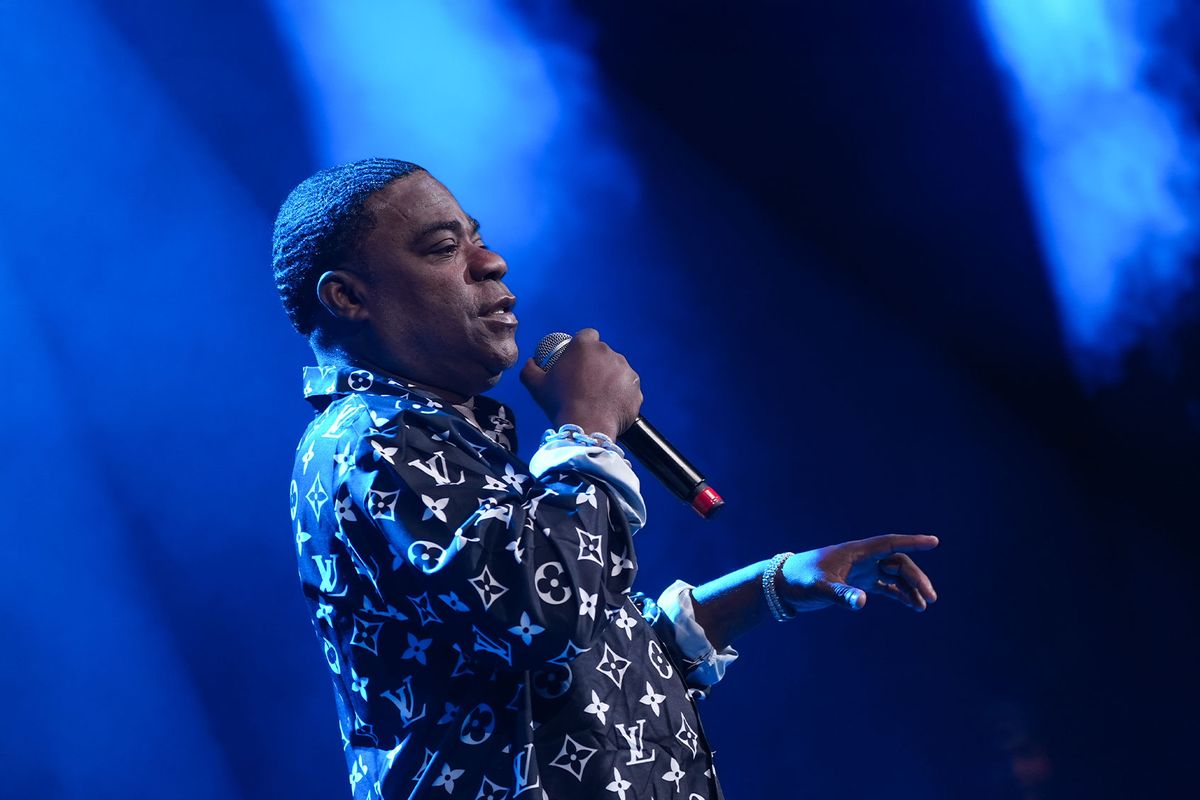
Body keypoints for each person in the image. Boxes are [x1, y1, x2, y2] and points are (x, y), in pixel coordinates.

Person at [273, 158, 939, 799]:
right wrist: (586, 422)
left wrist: (774, 586)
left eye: (479, 238)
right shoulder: (369, 439)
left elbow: (584, 667)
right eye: (444, 248)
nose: (492, 262)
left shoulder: (446, 438)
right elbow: (544, 612)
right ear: (348, 296)